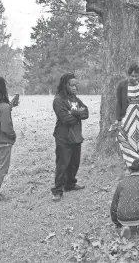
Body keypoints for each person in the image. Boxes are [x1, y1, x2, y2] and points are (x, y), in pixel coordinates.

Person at [51, 73, 89, 202]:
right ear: (65, 85)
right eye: (72, 85)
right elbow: (66, 119)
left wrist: (73, 112)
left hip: (76, 136)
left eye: (76, 85)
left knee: (74, 163)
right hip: (63, 137)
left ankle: (70, 184)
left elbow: (86, 112)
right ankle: (57, 190)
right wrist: (78, 114)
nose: (75, 88)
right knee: (62, 164)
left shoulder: (75, 99)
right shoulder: (58, 100)